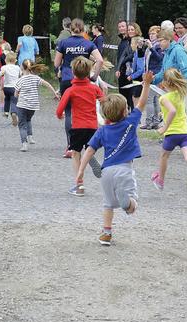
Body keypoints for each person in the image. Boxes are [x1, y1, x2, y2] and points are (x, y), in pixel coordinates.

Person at [76, 73, 154, 246]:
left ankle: (106, 233)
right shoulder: (131, 122)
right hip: (124, 169)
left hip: (106, 172)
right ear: (126, 111)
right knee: (132, 204)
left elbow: (89, 150)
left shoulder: (102, 131)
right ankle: (128, 204)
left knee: (108, 204)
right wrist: (147, 84)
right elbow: (142, 103)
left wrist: (81, 171)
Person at [55, 18, 105, 159]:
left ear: (70, 29)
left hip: (67, 79)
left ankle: (70, 146)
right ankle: (89, 145)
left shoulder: (63, 43)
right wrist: (95, 76)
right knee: (86, 109)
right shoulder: (88, 43)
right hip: (85, 80)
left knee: (69, 112)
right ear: (83, 30)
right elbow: (100, 60)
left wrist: (59, 70)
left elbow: (56, 62)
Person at [56, 57, 106, 196]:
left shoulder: (71, 90)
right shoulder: (94, 88)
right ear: (89, 71)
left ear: (73, 72)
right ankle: (89, 157)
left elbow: (60, 109)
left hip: (77, 126)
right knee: (89, 148)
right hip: (92, 126)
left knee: (75, 153)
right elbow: (104, 101)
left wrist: (60, 115)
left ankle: (79, 185)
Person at [150, 68, 187, 191]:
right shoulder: (182, 94)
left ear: (165, 82)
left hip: (172, 133)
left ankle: (160, 180)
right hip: (185, 132)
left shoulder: (164, 98)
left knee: (164, 156)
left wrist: (164, 127)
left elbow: (172, 111)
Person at [14, 60, 60, 151]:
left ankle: (24, 144)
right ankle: (30, 137)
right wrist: (55, 93)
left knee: (22, 124)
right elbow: (47, 84)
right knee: (28, 120)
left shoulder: (20, 80)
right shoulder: (36, 78)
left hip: (22, 105)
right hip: (33, 106)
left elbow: (15, 94)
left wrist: (19, 95)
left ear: (22, 67)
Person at [0, 52, 22, 124]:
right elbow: (21, 76)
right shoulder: (17, 68)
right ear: (15, 60)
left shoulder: (4, 67)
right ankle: (14, 113)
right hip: (14, 88)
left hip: (6, 88)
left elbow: (0, 74)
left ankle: (6, 112)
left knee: (7, 99)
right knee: (14, 101)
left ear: (6, 60)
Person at [116, 22, 138, 108]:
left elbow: (131, 55)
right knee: (123, 93)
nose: (121, 28)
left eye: (123, 26)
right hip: (123, 70)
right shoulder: (124, 41)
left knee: (131, 94)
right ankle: (125, 112)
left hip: (132, 71)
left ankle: (132, 114)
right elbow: (122, 56)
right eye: (119, 27)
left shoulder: (136, 40)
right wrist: (118, 68)